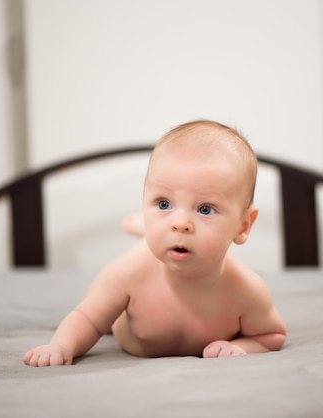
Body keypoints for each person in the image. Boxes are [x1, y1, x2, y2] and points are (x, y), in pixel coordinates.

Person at [23, 120, 287, 366]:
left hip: (163, 248)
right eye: (164, 204)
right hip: (142, 262)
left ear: (242, 226)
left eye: (205, 209)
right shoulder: (128, 273)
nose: (181, 222)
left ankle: (145, 228)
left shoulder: (246, 289)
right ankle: (143, 231)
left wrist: (243, 347)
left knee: (163, 238)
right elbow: (87, 319)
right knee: (128, 270)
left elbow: (271, 335)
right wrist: (61, 347)